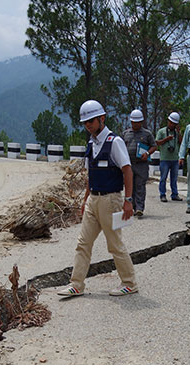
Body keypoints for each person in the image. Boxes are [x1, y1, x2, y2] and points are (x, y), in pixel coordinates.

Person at [57, 100, 137, 298]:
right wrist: (86, 200)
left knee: (114, 244)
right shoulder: (92, 143)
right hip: (94, 199)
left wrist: (128, 200)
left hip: (111, 200)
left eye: (91, 121)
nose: (88, 125)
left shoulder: (114, 142)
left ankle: (129, 283)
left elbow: (127, 171)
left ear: (102, 118)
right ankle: (76, 284)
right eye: (85, 123)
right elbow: (90, 175)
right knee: (83, 242)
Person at [122, 109, 156, 217]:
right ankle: (131, 207)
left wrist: (147, 153)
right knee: (130, 186)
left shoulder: (147, 134)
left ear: (141, 122)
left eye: (138, 122)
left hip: (141, 164)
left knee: (140, 186)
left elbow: (154, 146)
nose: (136, 124)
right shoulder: (126, 133)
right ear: (131, 122)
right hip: (129, 165)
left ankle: (140, 208)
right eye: (134, 122)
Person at [155, 111, 183, 202]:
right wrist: (166, 139)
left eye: (174, 124)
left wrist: (178, 132)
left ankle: (174, 194)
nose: (172, 125)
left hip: (174, 159)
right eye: (171, 122)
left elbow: (181, 142)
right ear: (168, 121)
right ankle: (162, 194)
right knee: (163, 178)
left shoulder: (176, 132)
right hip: (164, 159)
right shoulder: (162, 131)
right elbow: (157, 143)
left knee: (174, 179)